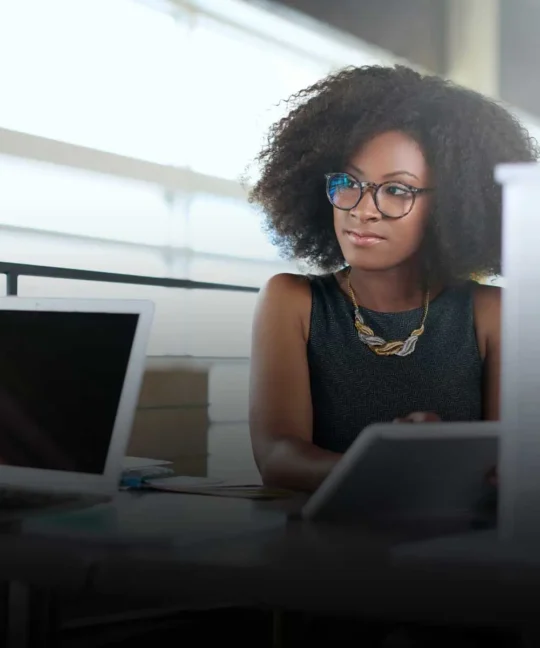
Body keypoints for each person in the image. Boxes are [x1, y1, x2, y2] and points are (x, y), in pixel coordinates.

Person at [248, 64, 537, 494]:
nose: (362, 209)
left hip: (454, 548)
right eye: (349, 183)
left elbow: (509, 467)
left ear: (449, 209)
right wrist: (386, 466)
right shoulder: (292, 301)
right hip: (321, 550)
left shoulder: (490, 313)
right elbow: (277, 457)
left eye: (397, 190)